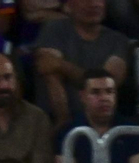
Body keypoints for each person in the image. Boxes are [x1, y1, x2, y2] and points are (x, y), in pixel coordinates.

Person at [34, 0, 131, 128]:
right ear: (69, 5)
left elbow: (108, 83)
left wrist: (61, 65)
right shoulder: (54, 29)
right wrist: (64, 121)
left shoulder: (118, 40)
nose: (94, 4)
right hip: (56, 120)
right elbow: (49, 73)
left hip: (101, 122)